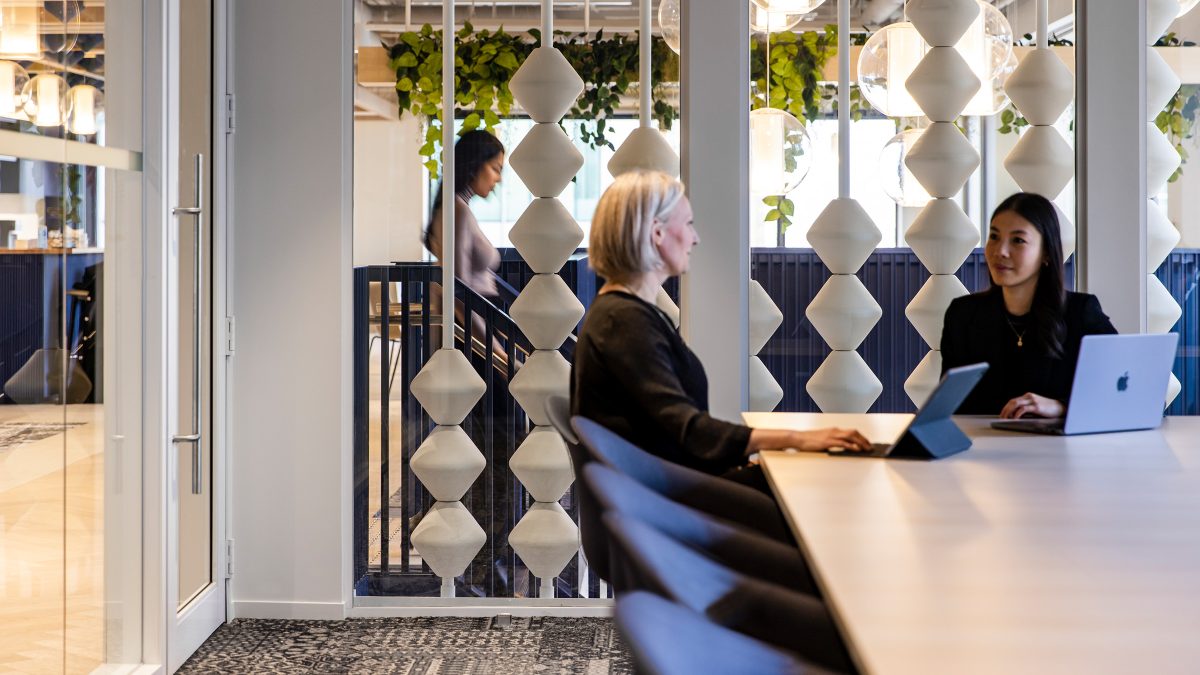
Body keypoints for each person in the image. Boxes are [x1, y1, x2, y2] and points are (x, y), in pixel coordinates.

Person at [571, 171, 870, 494]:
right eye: (688, 224)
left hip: (667, 492)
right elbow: (688, 430)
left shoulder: (626, 315)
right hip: (670, 501)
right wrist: (795, 439)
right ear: (657, 233)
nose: (695, 238)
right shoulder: (622, 322)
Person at [941, 192, 1117, 418]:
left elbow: (1125, 388)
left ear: (1046, 253)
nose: (1000, 251)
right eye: (994, 237)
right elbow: (948, 406)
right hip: (979, 440)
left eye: (1018, 240)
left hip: (1056, 440)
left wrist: (1061, 406)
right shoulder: (962, 315)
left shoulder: (1080, 312)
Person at [424, 129, 507, 362]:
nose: (498, 179)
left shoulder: (458, 208)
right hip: (472, 330)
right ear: (475, 164)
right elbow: (458, 291)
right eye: (496, 168)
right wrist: (497, 353)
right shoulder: (456, 210)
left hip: (476, 326)